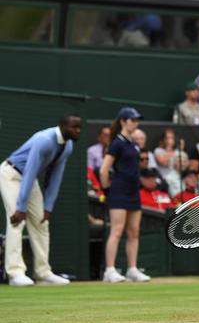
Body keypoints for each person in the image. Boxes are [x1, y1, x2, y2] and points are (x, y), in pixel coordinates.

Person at [0, 114, 81, 286]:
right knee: (16, 221)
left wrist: (48, 207)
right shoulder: (44, 139)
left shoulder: (68, 146)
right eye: (74, 127)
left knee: (41, 222)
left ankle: (43, 273)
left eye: (79, 127)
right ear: (62, 126)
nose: (77, 131)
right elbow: (30, 170)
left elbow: (56, 177)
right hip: (11, 175)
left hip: (29, 180)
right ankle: (15, 273)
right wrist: (21, 206)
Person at [99, 107, 150, 283]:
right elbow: (103, 170)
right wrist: (107, 191)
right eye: (132, 120)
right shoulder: (117, 143)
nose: (136, 123)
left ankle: (132, 269)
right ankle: (110, 270)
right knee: (117, 230)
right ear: (123, 121)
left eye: (137, 120)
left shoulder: (134, 145)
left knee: (134, 232)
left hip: (133, 192)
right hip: (119, 191)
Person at [154, 128, 188, 197]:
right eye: (167, 138)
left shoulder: (178, 151)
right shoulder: (158, 150)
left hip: (177, 178)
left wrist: (180, 151)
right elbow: (163, 162)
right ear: (164, 139)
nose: (170, 140)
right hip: (164, 179)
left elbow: (185, 166)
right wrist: (170, 148)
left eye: (172, 138)